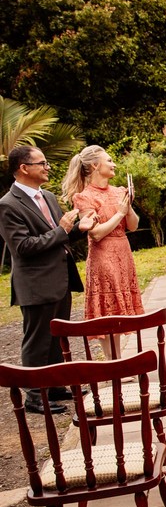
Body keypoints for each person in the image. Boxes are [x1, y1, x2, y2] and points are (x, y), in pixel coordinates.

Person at [0, 146, 95, 414]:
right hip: (35, 283)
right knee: (37, 340)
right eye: (42, 163)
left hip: (59, 278)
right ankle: (33, 395)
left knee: (56, 336)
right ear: (24, 168)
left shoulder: (49, 197)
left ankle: (54, 386)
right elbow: (23, 247)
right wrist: (63, 229)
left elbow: (57, 237)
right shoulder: (8, 205)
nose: (47, 168)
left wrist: (78, 230)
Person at [63, 146, 143, 357]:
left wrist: (129, 205)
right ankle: (112, 362)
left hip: (123, 252)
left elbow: (133, 226)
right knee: (107, 310)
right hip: (103, 255)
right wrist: (119, 214)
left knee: (118, 309)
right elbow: (96, 233)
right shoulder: (84, 197)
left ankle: (118, 362)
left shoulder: (118, 191)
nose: (113, 164)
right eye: (109, 161)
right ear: (95, 166)